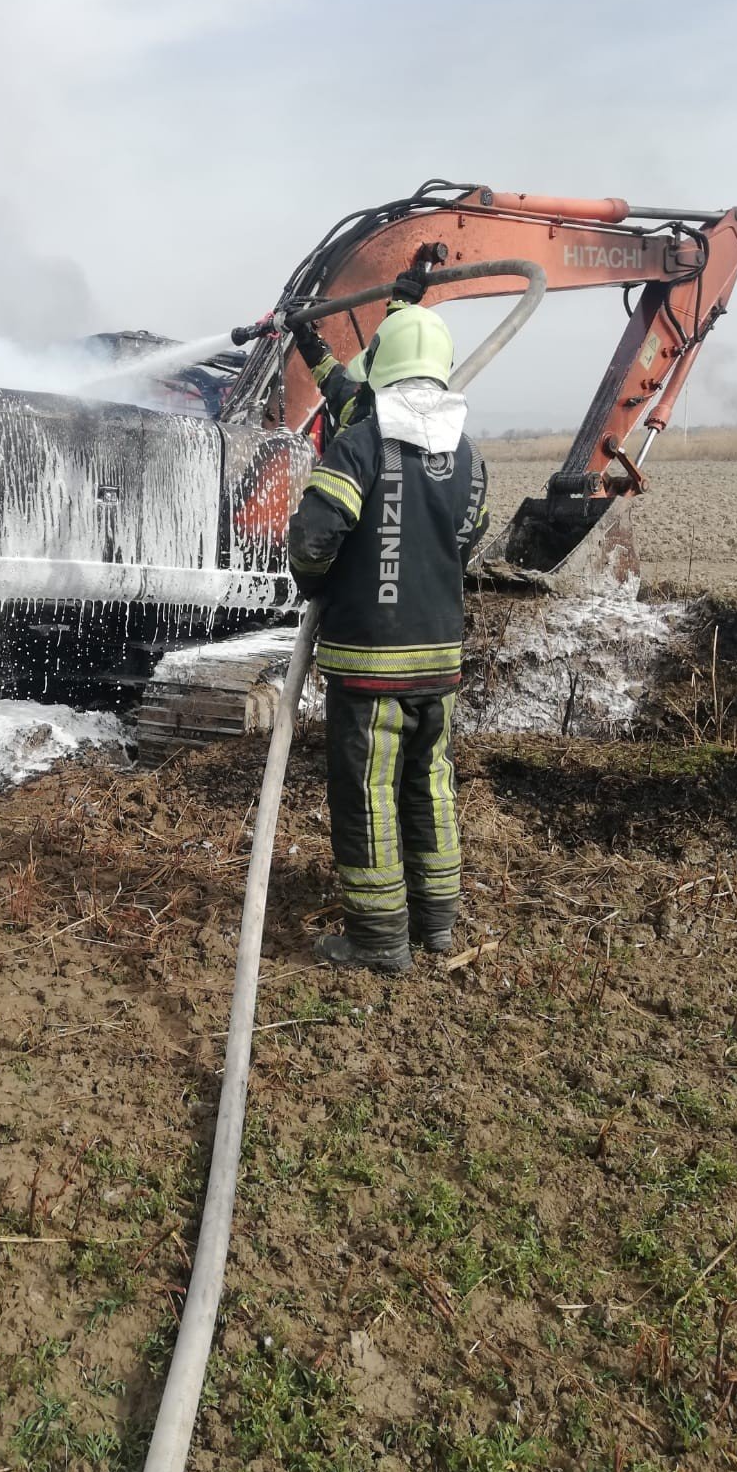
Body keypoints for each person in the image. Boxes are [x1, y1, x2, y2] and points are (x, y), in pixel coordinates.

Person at [288, 294, 489, 974]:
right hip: (440, 659)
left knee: (367, 790)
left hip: (370, 660)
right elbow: (468, 538)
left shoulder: (362, 442)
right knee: (430, 783)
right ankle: (436, 923)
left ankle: (377, 939)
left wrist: (318, 581)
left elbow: (315, 537)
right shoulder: (468, 456)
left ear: (384, 363)